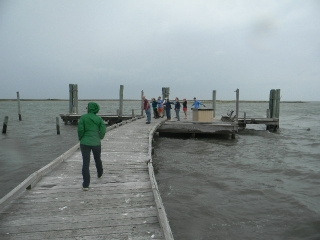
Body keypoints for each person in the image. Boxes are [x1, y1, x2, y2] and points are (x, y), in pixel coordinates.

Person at [78, 102, 106, 191]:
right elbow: (103, 130)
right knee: (97, 158)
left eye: (87, 107)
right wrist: (100, 137)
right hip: (96, 142)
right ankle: (100, 173)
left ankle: (86, 184)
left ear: (89, 108)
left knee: (86, 163)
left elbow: (80, 130)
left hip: (85, 143)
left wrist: (81, 138)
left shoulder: (83, 117)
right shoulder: (99, 119)